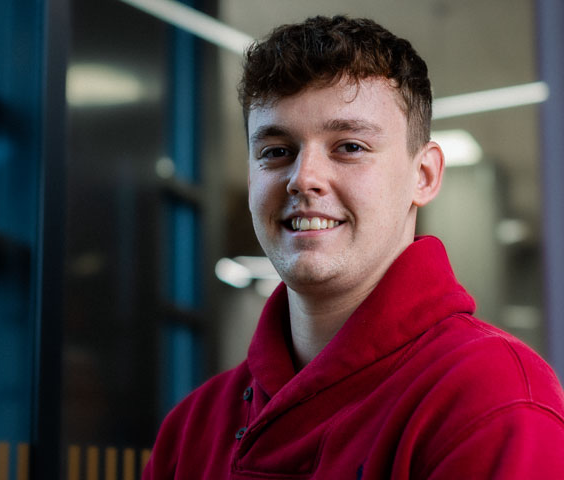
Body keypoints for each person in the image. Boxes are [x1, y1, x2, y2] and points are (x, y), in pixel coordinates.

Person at [143, 15, 564, 479]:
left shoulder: (491, 398)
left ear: (423, 176)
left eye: (349, 146)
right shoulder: (191, 429)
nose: (303, 178)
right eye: (276, 151)